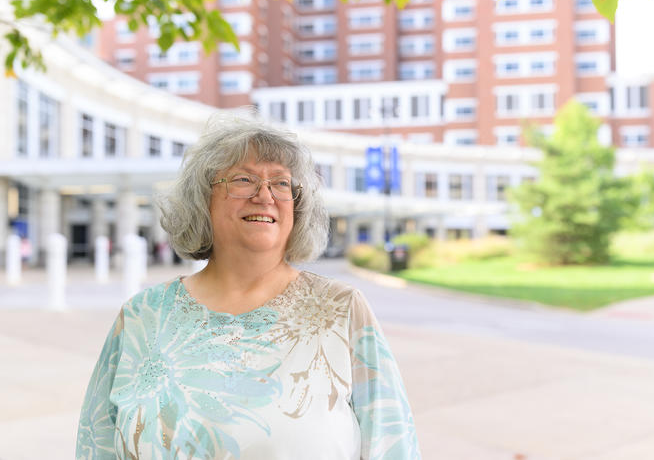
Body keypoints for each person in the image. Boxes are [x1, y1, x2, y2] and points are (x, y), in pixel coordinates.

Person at [76, 114, 421, 459]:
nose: (264, 195)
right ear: (203, 198)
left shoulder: (342, 311)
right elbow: (97, 444)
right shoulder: (141, 317)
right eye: (244, 179)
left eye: (281, 183)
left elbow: (393, 446)